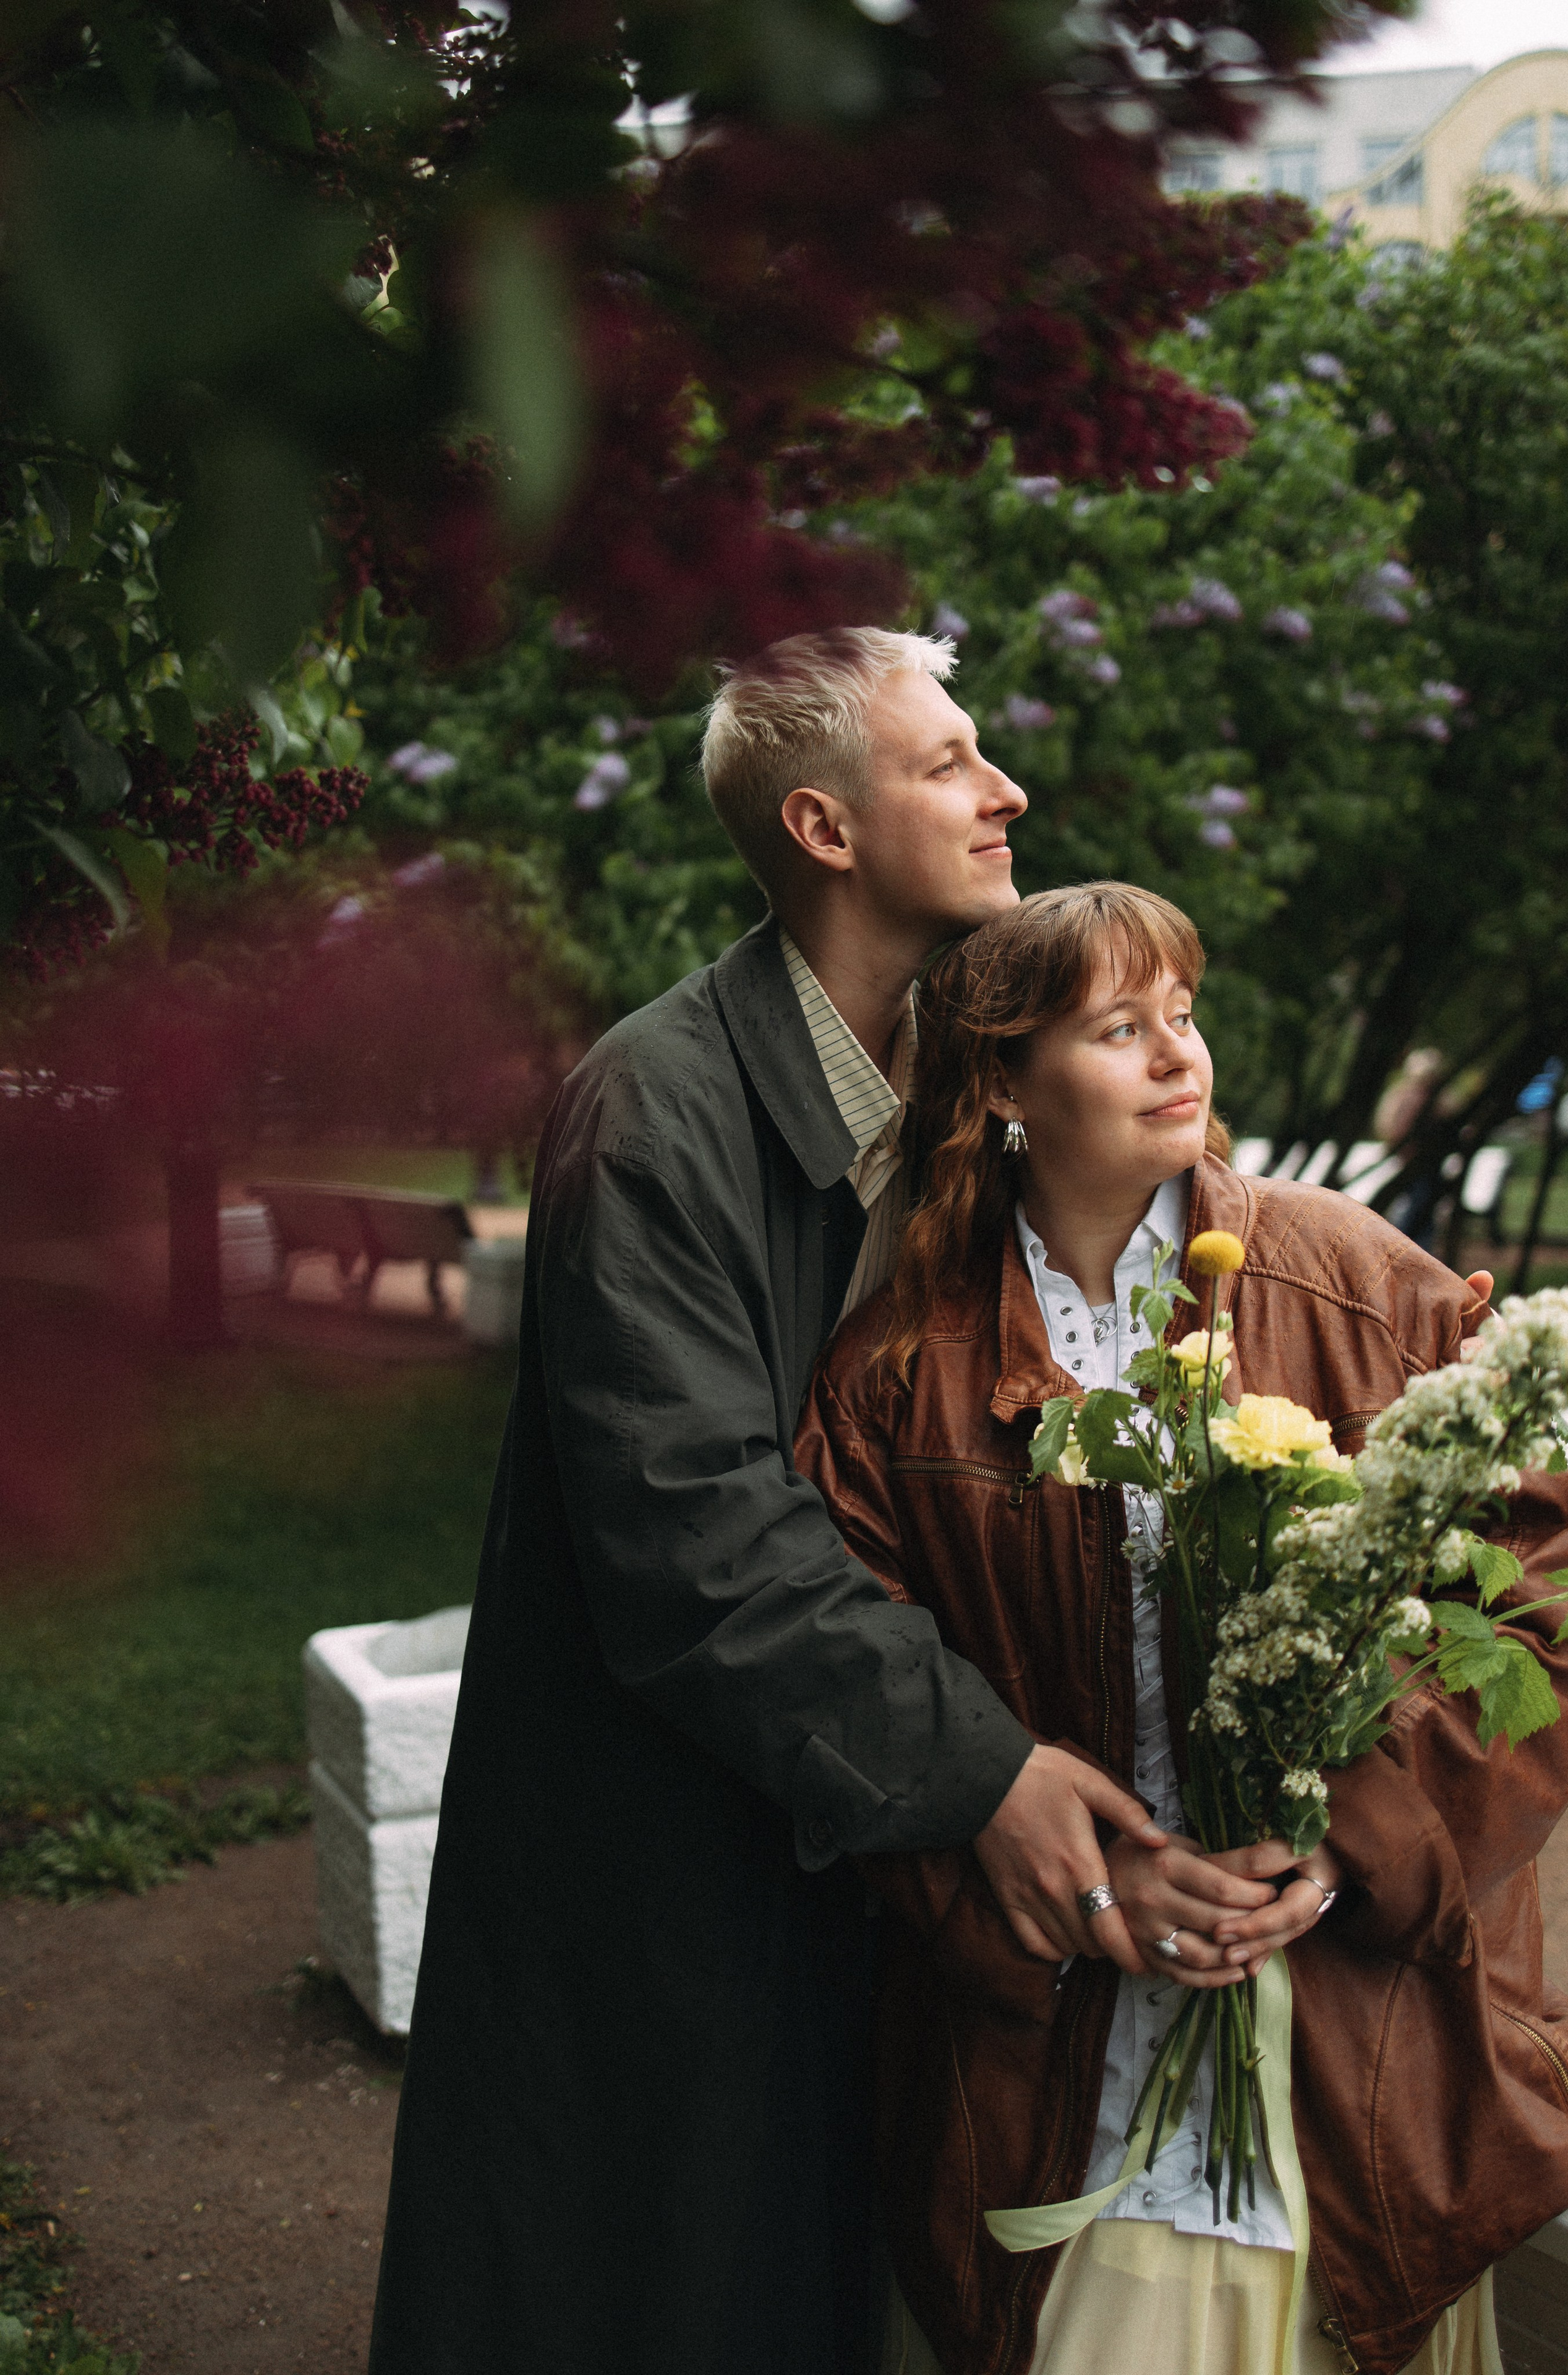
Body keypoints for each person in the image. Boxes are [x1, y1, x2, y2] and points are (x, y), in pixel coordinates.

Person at [367, 638, 1175, 2375]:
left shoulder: (960, 1088)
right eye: (952, 761)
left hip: (844, 1832)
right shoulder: (653, 1110)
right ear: (823, 823)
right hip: (668, 1857)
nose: (1006, 790)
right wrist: (986, 1767)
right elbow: (699, 1543)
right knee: (660, 2280)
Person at [795, 882, 1568, 2375]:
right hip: (1052, 2066)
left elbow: (1548, 1576)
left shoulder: (1342, 1277)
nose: (1178, 1057)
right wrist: (1071, 1890)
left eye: (1181, 1015)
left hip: (1358, 2058)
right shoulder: (895, 1373)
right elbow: (845, 1692)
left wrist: (1353, 1825)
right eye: (1116, 1029)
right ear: (1004, 1089)